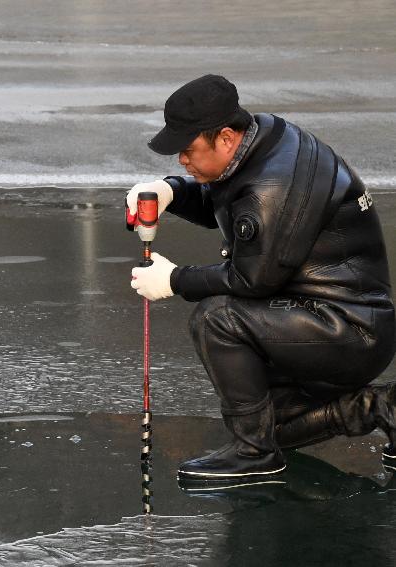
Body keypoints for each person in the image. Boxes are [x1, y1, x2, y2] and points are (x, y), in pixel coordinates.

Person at [128, 74, 396, 483]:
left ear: (225, 138)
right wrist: (172, 191)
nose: (181, 159)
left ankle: (253, 456)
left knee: (217, 318)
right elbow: (230, 204)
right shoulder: (264, 142)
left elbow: (253, 280)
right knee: (277, 427)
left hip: (348, 328)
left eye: (187, 150)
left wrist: (175, 279)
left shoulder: (272, 184)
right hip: (327, 318)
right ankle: (382, 408)